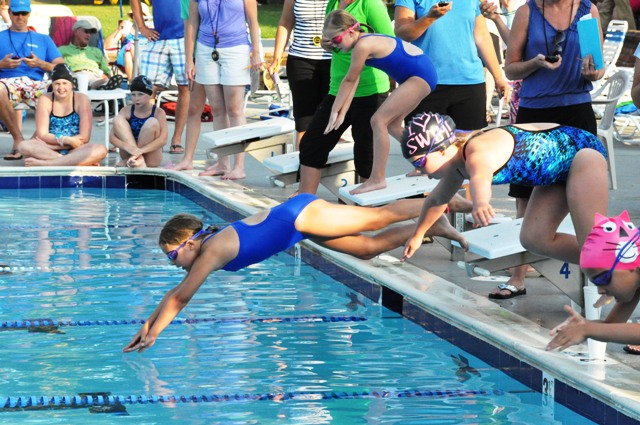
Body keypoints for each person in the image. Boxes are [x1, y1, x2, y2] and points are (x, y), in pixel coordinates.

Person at [122, 194, 469, 352]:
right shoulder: (207, 247)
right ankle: (433, 226)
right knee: (367, 248)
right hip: (297, 223)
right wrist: (147, 325)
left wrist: (156, 335)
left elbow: (182, 297)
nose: (173, 264)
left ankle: (446, 201)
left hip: (301, 216)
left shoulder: (211, 251)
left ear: (188, 245)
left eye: (171, 257)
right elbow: (175, 292)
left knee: (378, 216)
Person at [400, 113, 609, 299]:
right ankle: (615, 262)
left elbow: (480, 175)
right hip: (557, 173)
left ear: (443, 149)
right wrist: (418, 235)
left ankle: (620, 269)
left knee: (594, 249)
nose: (418, 170)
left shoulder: (475, 151)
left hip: (583, 155)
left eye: (419, 162)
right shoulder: (454, 164)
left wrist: (481, 203)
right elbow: (436, 200)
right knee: (534, 239)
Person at [500, 0, 604, 299]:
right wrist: (536, 63)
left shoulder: (588, 11)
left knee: (586, 204)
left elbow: (596, 70)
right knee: (524, 196)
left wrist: (592, 73)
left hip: (577, 111)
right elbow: (510, 69)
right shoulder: (527, 12)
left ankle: (598, 284)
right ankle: (517, 277)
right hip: (536, 115)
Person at [322, 9, 437, 194]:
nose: (336, 47)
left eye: (336, 40)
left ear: (350, 31)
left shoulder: (363, 46)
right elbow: (353, 82)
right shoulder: (364, 41)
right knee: (392, 125)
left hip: (419, 75)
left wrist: (334, 112)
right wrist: (340, 112)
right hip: (421, 73)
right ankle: (425, 163)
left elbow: (349, 80)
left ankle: (377, 178)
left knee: (378, 121)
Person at [297, 0, 393, 196]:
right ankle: (304, 203)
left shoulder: (370, 5)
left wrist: (362, 49)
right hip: (338, 89)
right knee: (311, 145)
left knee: (366, 156)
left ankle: (371, 212)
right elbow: (337, 42)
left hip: (370, 91)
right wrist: (329, 43)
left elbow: (390, 44)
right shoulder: (333, 3)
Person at [170, 0, 262, 179]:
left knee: (234, 109)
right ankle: (223, 162)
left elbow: (253, 21)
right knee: (217, 109)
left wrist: (257, 51)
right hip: (206, 49)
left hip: (236, 48)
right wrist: (189, 59)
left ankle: (239, 166)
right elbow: (192, 25)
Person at [394, 0, 509, 133]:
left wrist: (498, 77)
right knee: (425, 149)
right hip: (425, 83)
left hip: (469, 81)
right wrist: (429, 18)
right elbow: (402, 33)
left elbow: (482, 37)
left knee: (468, 147)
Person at [545, 211, 640, 352]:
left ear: (630, 263)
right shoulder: (635, 279)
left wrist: (587, 329)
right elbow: (612, 325)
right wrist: (582, 326)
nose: (600, 290)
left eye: (603, 279)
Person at [0, 0, 64, 161]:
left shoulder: (42, 39)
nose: (20, 17)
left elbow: (61, 67)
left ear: (29, 14)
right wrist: (2, 64)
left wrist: (40, 63)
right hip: (8, 84)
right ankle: (18, 139)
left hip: (36, 83)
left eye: (24, 13)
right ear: (9, 13)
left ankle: (33, 143)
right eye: (16, 13)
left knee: (62, 89)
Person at [267, 0, 332, 149]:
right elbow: (285, 22)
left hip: (333, 61)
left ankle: (325, 165)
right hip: (301, 61)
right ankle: (302, 166)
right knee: (304, 120)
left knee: (329, 119)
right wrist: (276, 58)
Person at [17, 64, 108, 166]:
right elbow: (42, 134)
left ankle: (47, 164)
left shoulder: (81, 99)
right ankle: (71, 161)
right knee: (23, 146)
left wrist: (63, 144)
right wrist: (64, 141)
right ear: (52, 85)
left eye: (65, 83)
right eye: (57, 84)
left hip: (75, 149)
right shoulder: (45, 99)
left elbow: (84, 137)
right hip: (49, 148)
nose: (61, 88)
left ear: (71, 85)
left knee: (101, 150)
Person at [131, 0, 189, 155]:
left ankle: (176, 139)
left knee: (185, 87)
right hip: (159, 38)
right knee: (146, 88)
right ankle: (146, 137)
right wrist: (142, 27)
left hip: (185, 37)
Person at [110, 75, 168, 168]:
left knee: (152, 122)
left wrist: (139, 152)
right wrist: (129, 148)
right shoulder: (126, 111)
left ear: (149, 95)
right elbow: (112, 138)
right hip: (129, 154)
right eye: (133, 94)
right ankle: (137, 159)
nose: (136, 98)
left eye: (140, 94)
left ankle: (136, 158)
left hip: (151, 157)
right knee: (118, 119)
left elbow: (163, 140)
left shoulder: (158, 112)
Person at [58, 19, 122, 90]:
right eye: (86, 31)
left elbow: (106, 71)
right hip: (74, 75)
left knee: (106, 80)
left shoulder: (96, 51)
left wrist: (107, 76)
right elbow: (55, 68)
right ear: (76, 32)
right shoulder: (62, 50)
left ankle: (96, 86)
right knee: (71, 81)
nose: (89, 35)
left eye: (90, 33)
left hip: (94, 76)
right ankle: (92, 88)